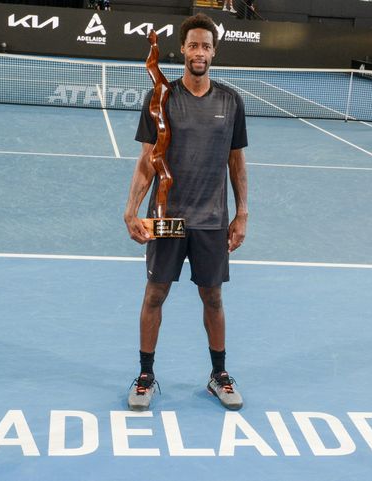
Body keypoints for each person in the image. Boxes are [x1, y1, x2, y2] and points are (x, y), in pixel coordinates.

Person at [124, 13, 249, 411]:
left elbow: (237, 162)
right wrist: (131, 210)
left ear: (214, 51)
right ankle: (146, 376)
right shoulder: (161, 98)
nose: (199, 52)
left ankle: (219, 375)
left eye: (206, 46)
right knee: (155, 294)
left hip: (212, 219)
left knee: (212, 299)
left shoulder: (230, 101)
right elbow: (147, 159)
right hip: (168, 217)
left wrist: (242, 212)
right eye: (193, 45)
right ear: (183, 49)